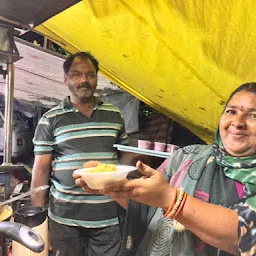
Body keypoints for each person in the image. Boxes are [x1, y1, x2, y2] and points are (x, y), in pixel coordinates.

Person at [74, 82, 256, 256]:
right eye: (231, 111)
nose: (238, 122)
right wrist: (115, 186)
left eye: (253, 115)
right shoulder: (187, 156)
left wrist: (171, 199)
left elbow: (249, 235)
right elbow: (147, 205)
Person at [31, 51, 131, 256]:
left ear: (96, 78)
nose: (84, 80)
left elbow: (124, 157)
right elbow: (41, 170)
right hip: (65, 218)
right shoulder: (51, 119)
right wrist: (38, 219)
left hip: (108, 217)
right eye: (77, 74)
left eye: (90, 74)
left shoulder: (114, 114)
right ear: (66, 79)